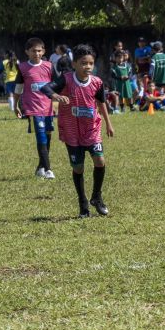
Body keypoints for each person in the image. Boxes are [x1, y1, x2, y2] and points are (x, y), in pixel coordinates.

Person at [47, 44, 115, 217]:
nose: (88, 67)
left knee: (99, 161)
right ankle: (83, 204)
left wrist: (109, 123)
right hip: (72, 132)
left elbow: (101, 103)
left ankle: (97, 197)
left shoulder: (97, 83)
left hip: (92, 128)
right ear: (75, 63)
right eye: (84, 63)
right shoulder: (67, 79)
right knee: (78, 168)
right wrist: (56, 96)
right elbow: (45, 88)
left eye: (91, 63)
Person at [18, 38, 58, 178]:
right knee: (40, 136)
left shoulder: (49, 66)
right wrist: (17, 105)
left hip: (47, 107)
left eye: (39, 50)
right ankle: (48, 169)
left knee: (47, 136)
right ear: (27, 52)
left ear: (44, 51)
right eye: (33, 51)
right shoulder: (23, 68)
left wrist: (56, 94)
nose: (37, 53)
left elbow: (57, 83)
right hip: (33, 108)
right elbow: (18, 88)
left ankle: (40, 167)